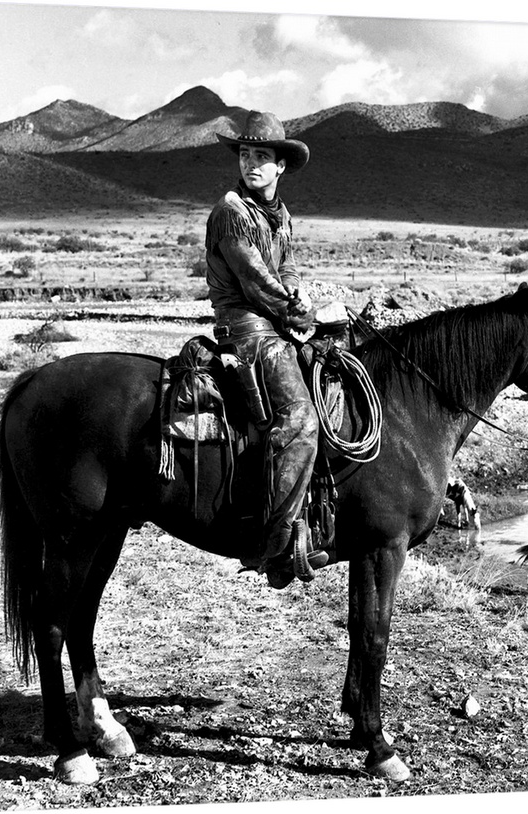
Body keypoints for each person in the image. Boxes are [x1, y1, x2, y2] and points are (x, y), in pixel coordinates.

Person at [205, 110, 322, 588]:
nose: (252, 162)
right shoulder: (232, 211)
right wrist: (298, 315)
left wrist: (300, 299)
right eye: (246, 154)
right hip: (246, 327)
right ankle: (275, 544)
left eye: (262, 156)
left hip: (274, 320)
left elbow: (287, 269)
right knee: (300, 419)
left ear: (280, 167)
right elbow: (255, 281)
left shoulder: (280, 214)